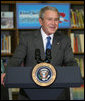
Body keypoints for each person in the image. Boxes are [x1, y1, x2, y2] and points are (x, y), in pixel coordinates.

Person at [1, 6, 78, 100]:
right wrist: (7, 72)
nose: (53, 23)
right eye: (50, 19)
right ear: (41, 21)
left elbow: (70, 61)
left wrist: (75, 73)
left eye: (56, 20)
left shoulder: (64, 40)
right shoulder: (27, 38)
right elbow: (16, 59)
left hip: (57, 93)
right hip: (29, 93)